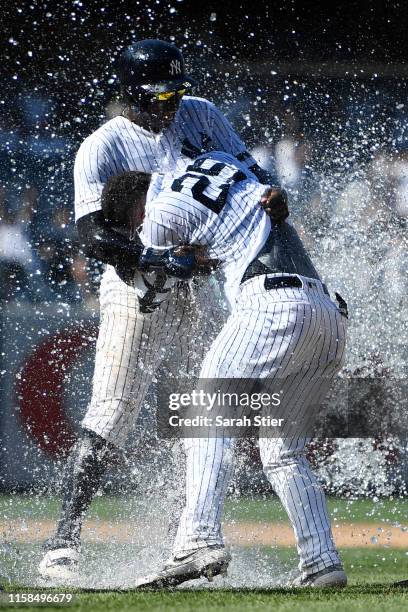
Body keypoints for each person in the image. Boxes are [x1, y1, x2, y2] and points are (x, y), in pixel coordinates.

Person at [38, 39, 287, 581]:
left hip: (202, 286)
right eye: (159, 96)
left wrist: (271, 193)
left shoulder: (202, 114)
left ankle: (191, 537)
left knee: (200, 409)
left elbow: (250, 178)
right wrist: (154, 256)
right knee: (112, 409)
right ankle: (63, 542)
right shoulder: (102, 146)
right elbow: (92, 235)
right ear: (130, 93)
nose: (170, 107)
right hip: (137, 285)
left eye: (176, 93)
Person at [110, 151, 348, 588]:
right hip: (328, 314)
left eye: (131, 222)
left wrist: (171, 258)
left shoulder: (157, 214)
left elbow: (157, 271)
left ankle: (197, 540)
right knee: (284, 452)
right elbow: (263, 198)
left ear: (135, 211)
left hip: (271, 305)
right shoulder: (214, 160)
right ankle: (322, 563)